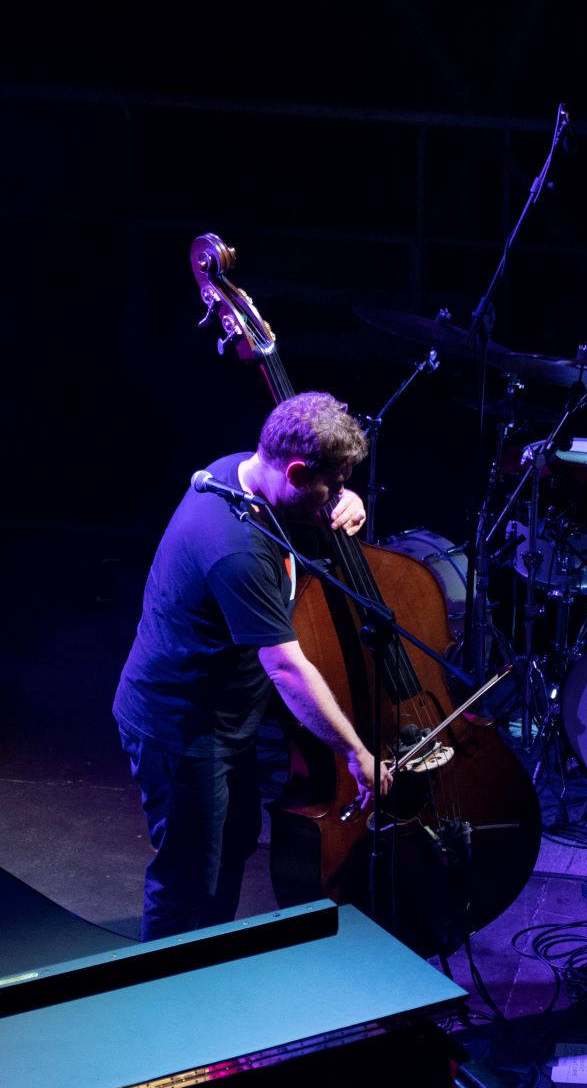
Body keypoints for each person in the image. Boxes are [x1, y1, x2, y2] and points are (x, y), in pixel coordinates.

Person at [114, 391, 390, 940]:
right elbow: (287, 669)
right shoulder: (234, 545)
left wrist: (347, 500)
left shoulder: (248, 476)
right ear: (294, 469)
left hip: (222, 721)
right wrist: (356, 755)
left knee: (231, 845)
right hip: (183, 728)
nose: (335, 495)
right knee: (187, 878)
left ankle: (207, 960)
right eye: (332, 485)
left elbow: (306, 506)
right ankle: (165, 993)